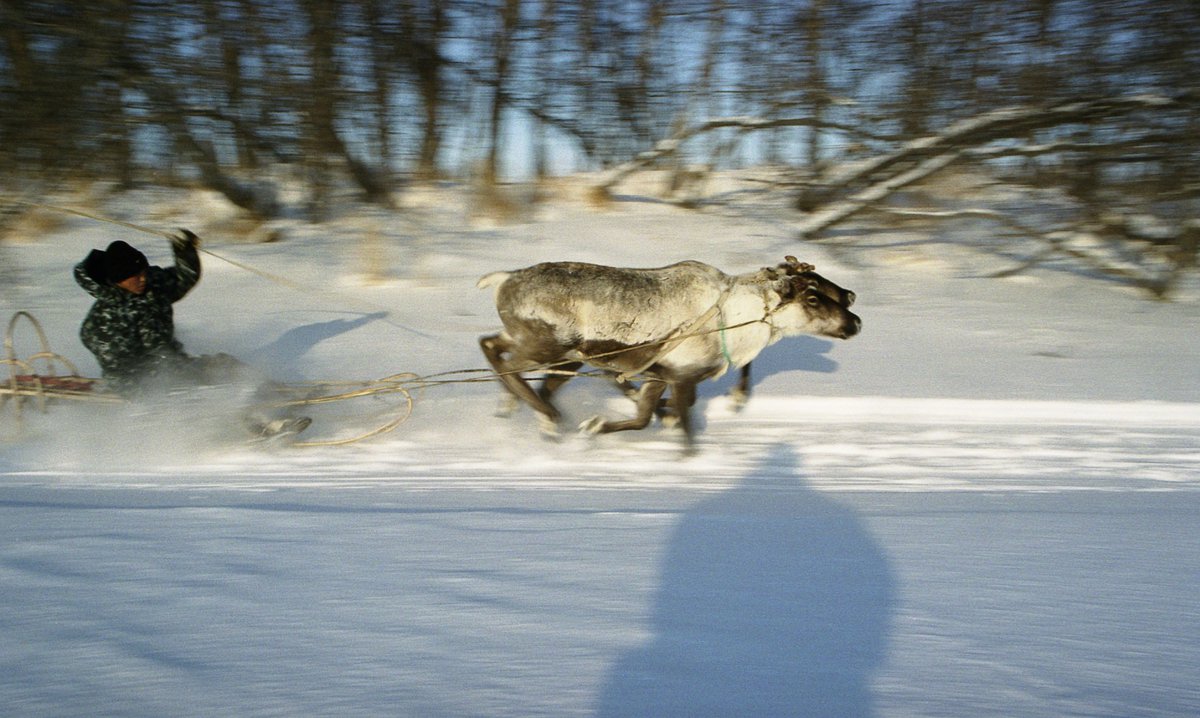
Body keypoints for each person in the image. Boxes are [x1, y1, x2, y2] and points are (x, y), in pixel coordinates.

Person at [74, 230, 309, 439]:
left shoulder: (153, 286)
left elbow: (183, 278)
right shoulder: (105, 318)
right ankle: (264, 425)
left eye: (143, 271)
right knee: (207, 392)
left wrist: (184, 251)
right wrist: (158, 374)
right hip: (139, 381)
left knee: (223, 365)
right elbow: (112, 360)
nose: (142, 278)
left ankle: (281, 395)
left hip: (173, 364)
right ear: (117, 281)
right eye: (134, 276)